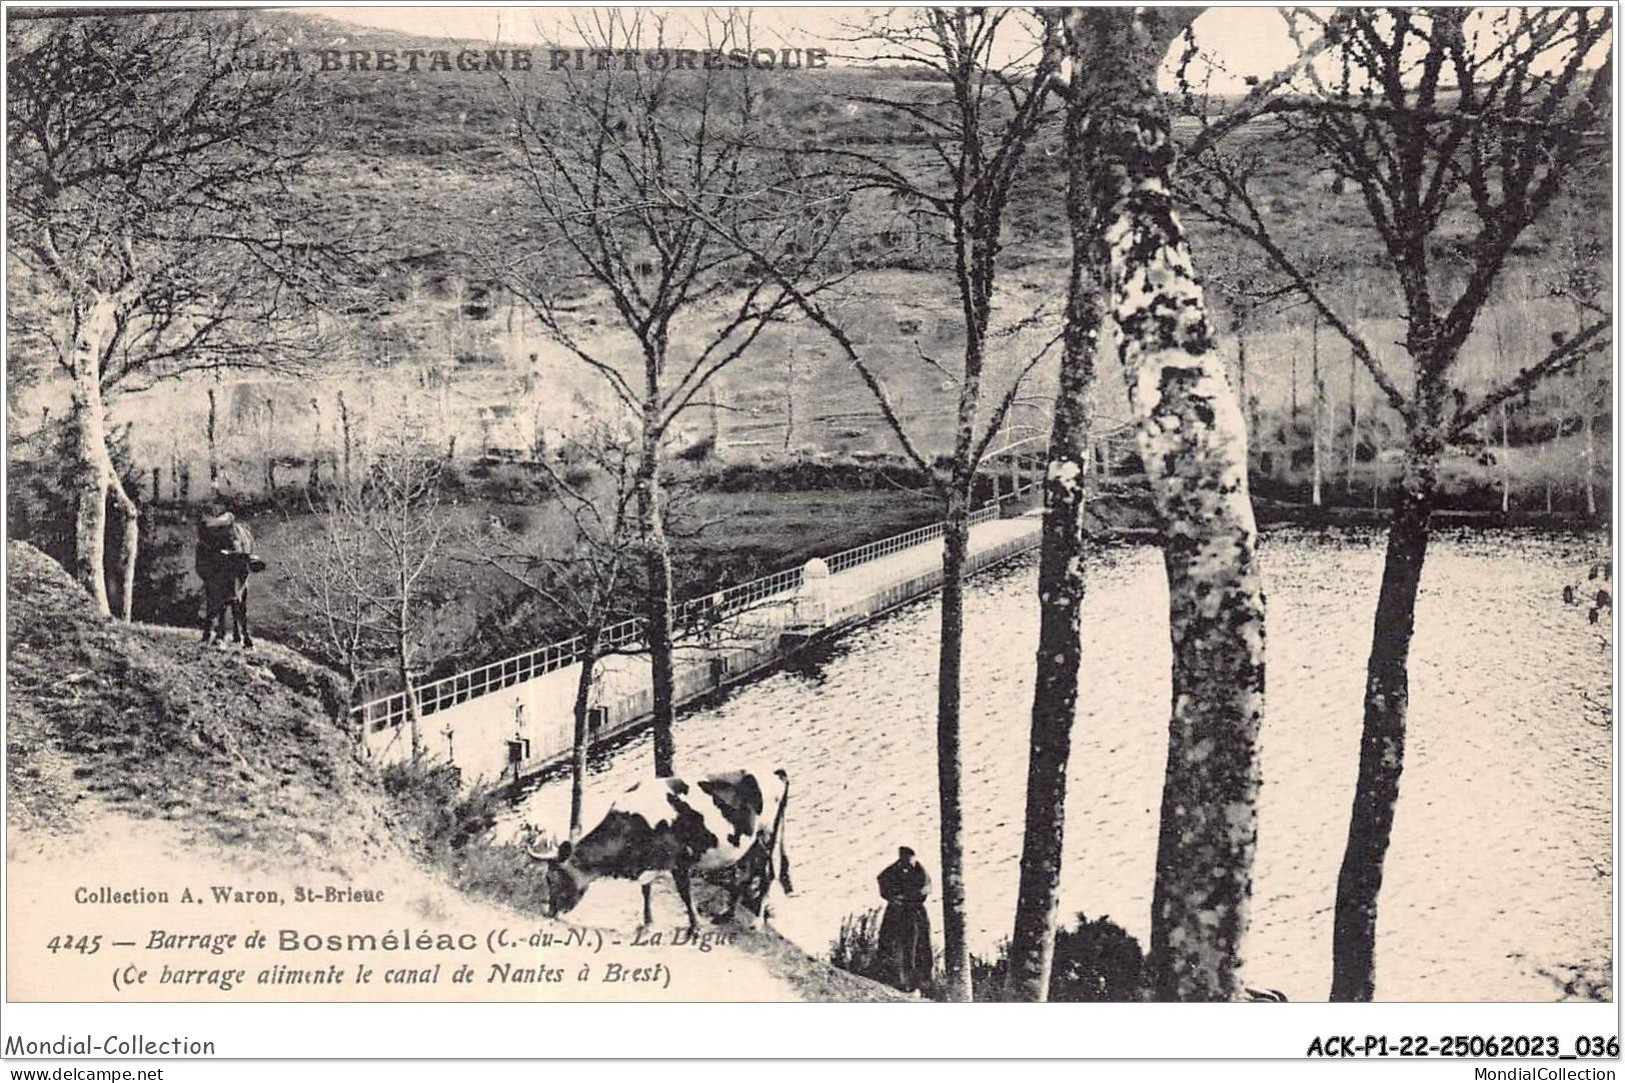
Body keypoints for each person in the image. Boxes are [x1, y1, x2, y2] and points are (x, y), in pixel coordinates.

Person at [875, 845, 933, 994]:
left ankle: (918, 983)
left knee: (917, 946)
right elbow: (882, 880)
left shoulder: (920, 871)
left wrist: (905, 897)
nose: (908, 863)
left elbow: (925, 889)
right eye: (905, 860)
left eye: (910, 860)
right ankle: (891, 978)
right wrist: (893, 897)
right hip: (896, 911)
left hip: (915, 912)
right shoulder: (894, 869)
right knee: (889, 942)